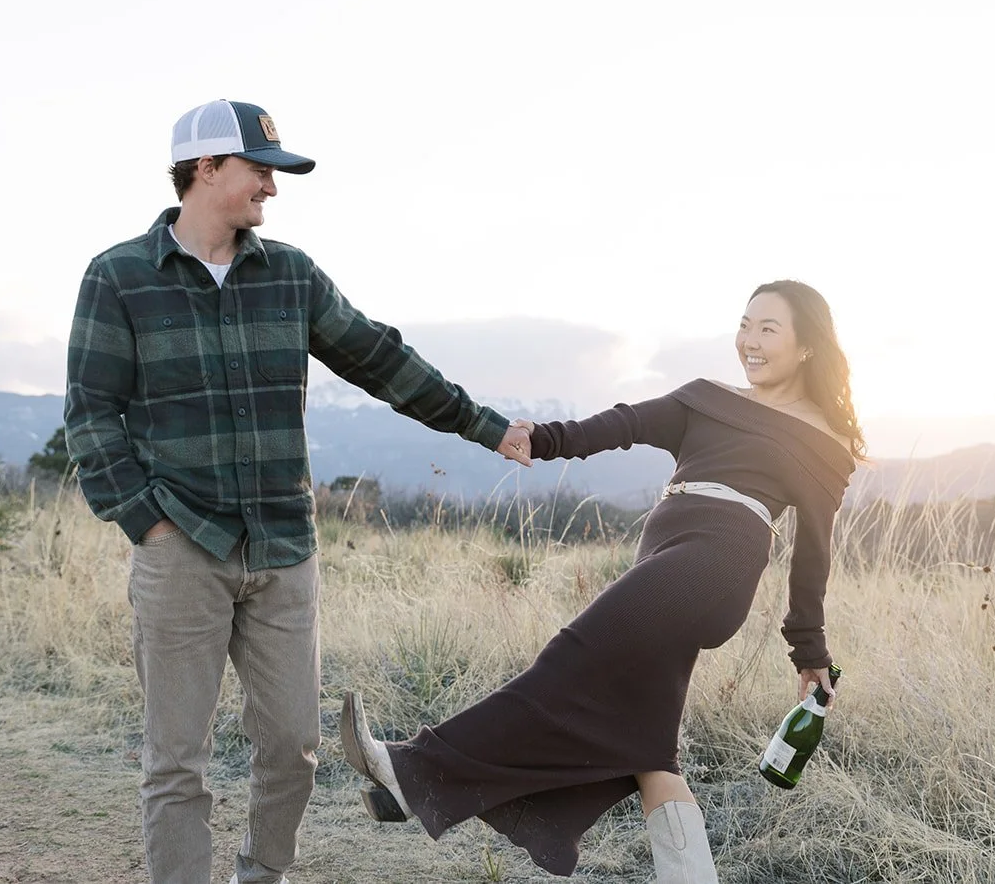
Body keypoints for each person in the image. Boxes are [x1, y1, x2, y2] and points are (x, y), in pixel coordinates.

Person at [63, 99, 533, 884]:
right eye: (260, 171)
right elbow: (90, 415)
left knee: (293, 747)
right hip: (181, 545)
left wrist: (486, 426)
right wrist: (145, 521)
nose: (272, 189)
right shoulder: (119, 277)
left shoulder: (291, 274)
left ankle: (263, 872)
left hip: (284, 548)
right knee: (176, 760)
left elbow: (381, 360)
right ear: (205, 168)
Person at [340, 281, 863, 882]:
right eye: (745, 324)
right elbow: (620, 424)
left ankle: (415, 773)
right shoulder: (708, 397)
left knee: (572, 655)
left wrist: (809, 650)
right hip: (665, 556)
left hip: (717, 564)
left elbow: (813, 556)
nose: (749, 340)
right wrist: (537, 438)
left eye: (768, 328)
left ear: (806, 347)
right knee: (652, 756)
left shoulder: (824, 441)